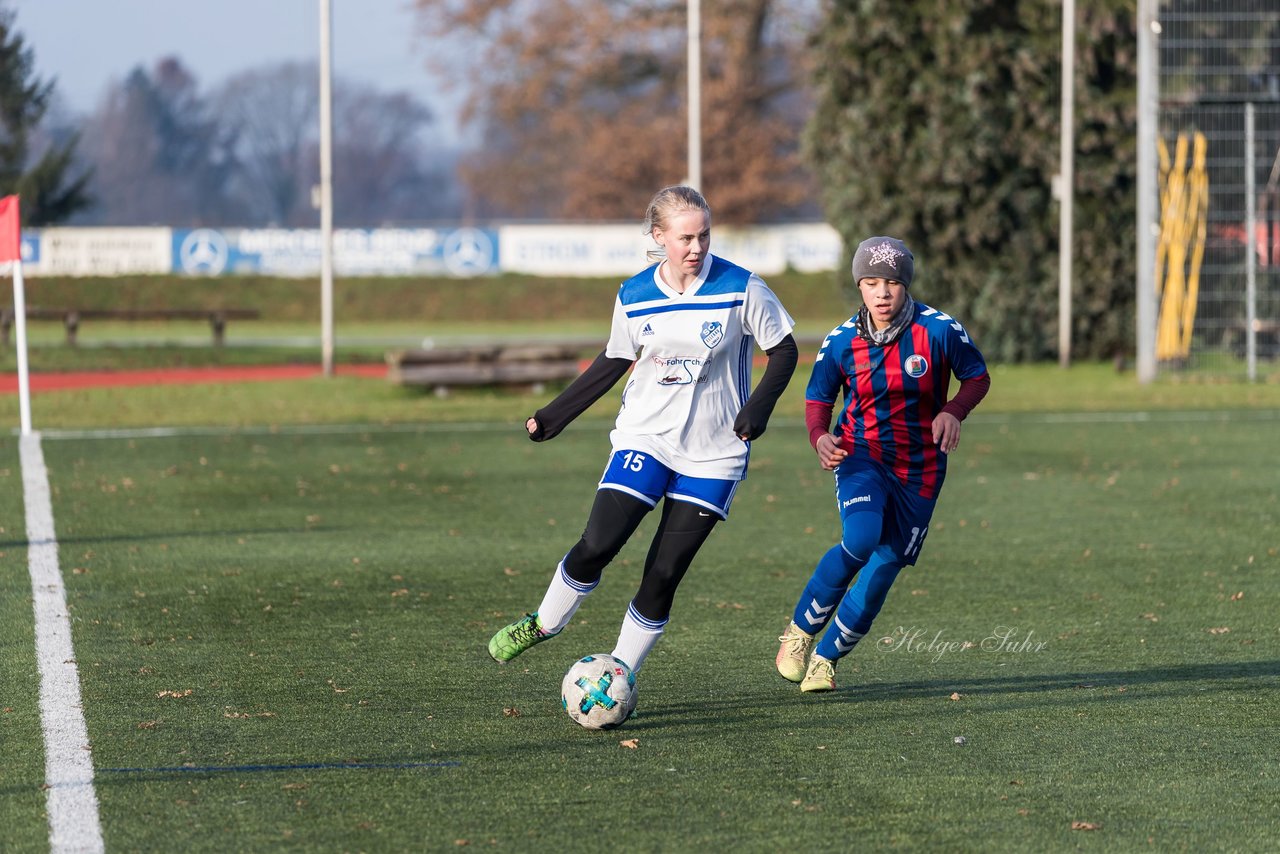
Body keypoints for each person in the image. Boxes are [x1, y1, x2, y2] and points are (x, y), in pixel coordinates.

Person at [488, 185, 799, 684]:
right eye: (685, 238)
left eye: (704, 236)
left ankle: (619, 676)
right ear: (659, 237)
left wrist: (757, 409)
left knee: (663, 573)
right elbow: (614, 359)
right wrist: (554, 415)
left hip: (713, 455)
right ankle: (544, 623)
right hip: (645, 438)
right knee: (599, 543)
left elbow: (784, 350)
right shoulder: (634, 294)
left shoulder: (742, 287)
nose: (696, 248)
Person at [774, 236, 990, 692]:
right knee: (861, 537)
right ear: (860, 286)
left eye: (891, 282)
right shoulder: (841, 341)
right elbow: (818, 399)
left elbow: (977, 376)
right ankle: (799, 633)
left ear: (905, 285)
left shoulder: (939, 330)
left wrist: (953, 411)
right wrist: (820, 436)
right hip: (862, 455)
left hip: (922, 468)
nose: (882, 292)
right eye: (871, 282)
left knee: (885, 564)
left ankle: (826, 659)